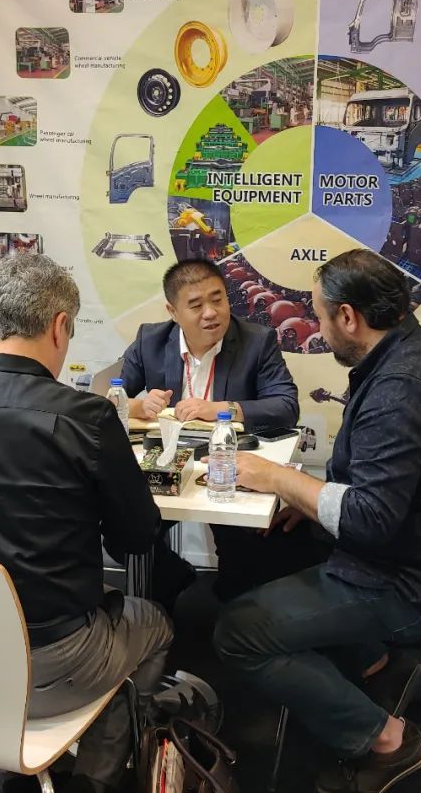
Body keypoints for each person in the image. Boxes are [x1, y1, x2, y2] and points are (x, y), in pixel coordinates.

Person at [213, 249, 421, 793]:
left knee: (237, 633)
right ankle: (371, 665)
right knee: (255, 558)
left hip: (412, 585)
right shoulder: (410, 350)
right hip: (412, 553)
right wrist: (307, 502)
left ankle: (386, 740)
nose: (317, 329)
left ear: (348, 317)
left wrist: (280, 479)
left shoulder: (401, 388)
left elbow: (369, 519)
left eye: (319, 316)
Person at [0, 254, 172, 793]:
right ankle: (96, 774)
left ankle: (20, 765)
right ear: (60, 326)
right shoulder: (88, 418)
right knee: (156, 622)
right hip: (58, 657)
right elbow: (136, 539)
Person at [119, 258, 331, 604]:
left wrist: (222, 408)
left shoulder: (256, 341)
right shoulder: (150, 340)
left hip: (229, 463)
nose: (211, 313)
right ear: (173, 311)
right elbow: (111, 398)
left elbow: (285, 405)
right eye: (196, 305)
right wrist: (136, 406)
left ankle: (231, 613)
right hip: (170, 461)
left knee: (242, 549)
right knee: (127, 532)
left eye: (217, 299)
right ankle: (173, 582)